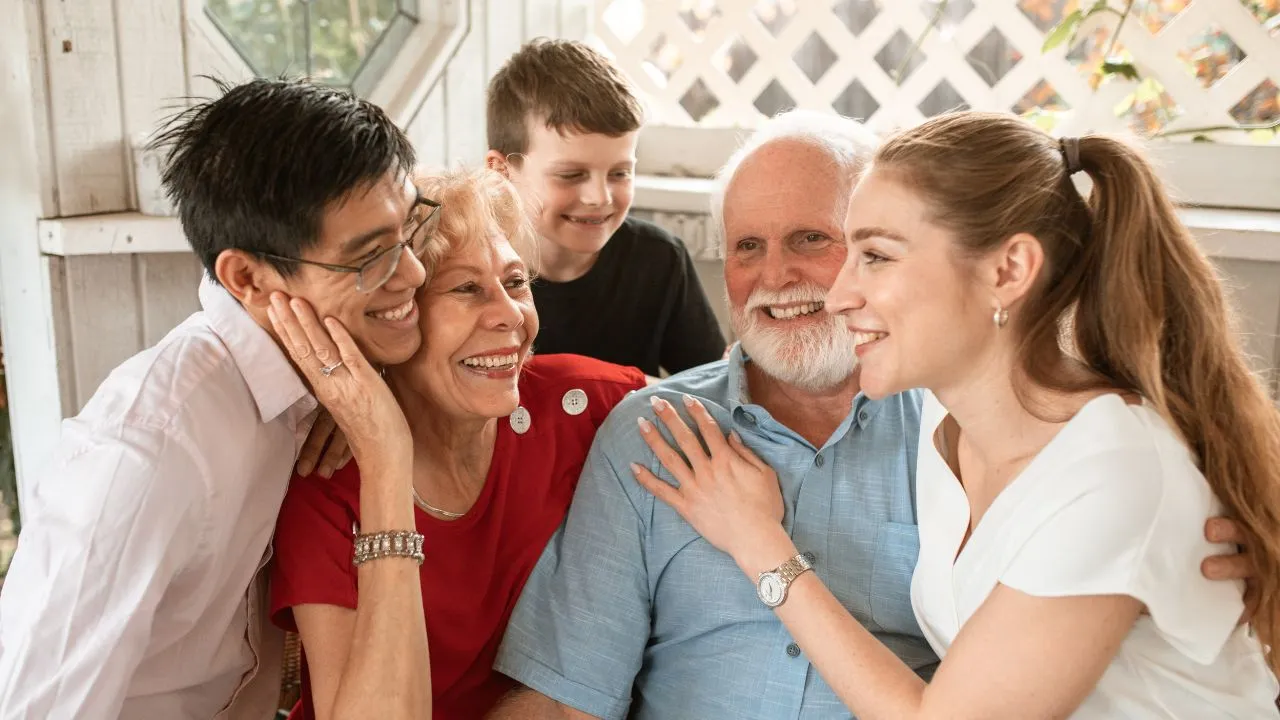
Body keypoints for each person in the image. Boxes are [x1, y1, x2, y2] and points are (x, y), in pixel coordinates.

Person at [487, 110, 1262, 719]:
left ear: (1009, 271)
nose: (832, 288)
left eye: (861, 251)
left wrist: (762, 545)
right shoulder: (951, 433)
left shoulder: (1064, 455)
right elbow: (565, 696)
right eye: (746, 246)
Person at [0, 78, 428, 718]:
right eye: (371, 258)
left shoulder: (328, 376)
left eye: (410, 231)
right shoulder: (145, 452)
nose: (414, 274)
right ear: (247, 279)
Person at [267, 168, 649, 720]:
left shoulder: (580, 405)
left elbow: (737, 401)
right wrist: (386, 462)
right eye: (467, 289)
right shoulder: (329, 484)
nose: (511, 315)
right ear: (396, 317)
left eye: (516, 282)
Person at [484, 38, 726, 376]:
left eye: (620, 173)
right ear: (501, 172)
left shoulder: (660, 261)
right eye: (571, 174)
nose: (600, 197)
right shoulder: (469, 270)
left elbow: (710, 387)